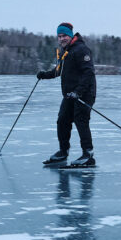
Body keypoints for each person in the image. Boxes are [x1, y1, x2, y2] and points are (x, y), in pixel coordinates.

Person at [36, 22, 97, 167]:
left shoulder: (81, 50)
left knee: (81, 121)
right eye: (59, 36)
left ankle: (88, 155)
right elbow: (58, 71)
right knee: (62, 120)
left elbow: (89, 73)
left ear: (70, 36)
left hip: (84, 93)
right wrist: (44, 75)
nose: (61, 39)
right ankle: (63, 152)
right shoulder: (65, 51)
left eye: (64, 36)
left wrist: (78, 92)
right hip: (70, 94)